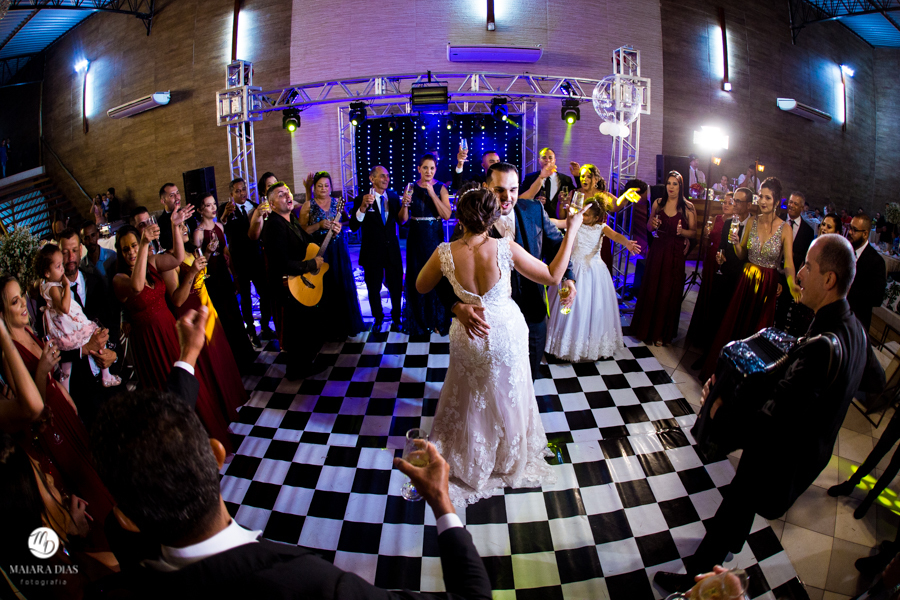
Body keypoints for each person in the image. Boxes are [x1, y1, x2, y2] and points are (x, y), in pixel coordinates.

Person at [90, 336, 493, 599]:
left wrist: (187, 357)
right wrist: (442, 503)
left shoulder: (118, 583)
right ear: (217, 455)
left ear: (126, 516)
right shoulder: (305, 583)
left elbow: (160, 430)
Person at [654, 234, 871, 594]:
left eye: (808, 267)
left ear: (829, 280)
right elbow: (870, 380)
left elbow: (772, 421)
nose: (799, 274)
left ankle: (698, 581)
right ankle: (708, 565)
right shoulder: (855, 330)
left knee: (737, 504)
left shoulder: (821, 346)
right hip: (808, 449)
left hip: (783, 455)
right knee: (735, 510)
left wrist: (720, 409)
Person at [417, 187, 582, 505]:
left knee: (470, 394)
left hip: (469, 334)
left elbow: (421, 285)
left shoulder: (444, 252)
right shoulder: (505, 248)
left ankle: (472, 455)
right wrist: (572, 229)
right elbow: (552, 275)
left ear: (461, 217)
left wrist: (458, 304)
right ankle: (507, 456)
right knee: (508, 392)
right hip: (505, 331)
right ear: (492, 217)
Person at [0, 275, 116, 543]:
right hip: (50, 424)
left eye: (21, 298)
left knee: (95, 468)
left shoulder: (29, 331)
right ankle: (107, 542)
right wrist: (41, 371)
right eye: (14, 301)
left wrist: (64, 394)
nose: (22, 307)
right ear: (3, 311)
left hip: (63, 410)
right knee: (85, 483)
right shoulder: (9, 355)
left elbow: (53, 376)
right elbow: (32, 411)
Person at [441, 162, 576, 380]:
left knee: (527, 378)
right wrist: (456, 306)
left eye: (513, 190)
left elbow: (555, 246)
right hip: (490, 323)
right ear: (486, 187)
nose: (507, 197)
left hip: (533, 312)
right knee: (494, 381)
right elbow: (445, 272)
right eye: (499, 190)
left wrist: (569, 278)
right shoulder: (470, 222)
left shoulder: (534, 210)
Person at [700, 178, 800, 380]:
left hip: (767, 283)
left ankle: (747, 382)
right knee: (736, 327)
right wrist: (736, 243)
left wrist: (792, 284)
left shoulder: (785, 229)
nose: (763, 201)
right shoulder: (753, 221)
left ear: (776, 200)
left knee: (758, 331)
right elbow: (741, 254)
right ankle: (726, 374)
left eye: (767, 197)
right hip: (746, 279)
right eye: (761, 196)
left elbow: (788, 263)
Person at [163, 228, 248, 436]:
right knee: (207, 368)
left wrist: (207, 255)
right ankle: (217, 417)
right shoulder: (169, 261)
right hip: (190, 314)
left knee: (219, 362)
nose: (185, 229)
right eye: (180, 226)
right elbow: (177, 300)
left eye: (184, 225)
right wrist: (192, 271)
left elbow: (201, 276)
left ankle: (227, 409)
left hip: (207, 308)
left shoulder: (191, 252)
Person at [545, 195, 640, 361]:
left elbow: (616, 236)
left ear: (596, 217)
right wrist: (541, 216)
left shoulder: (601, 227)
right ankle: (563, 342)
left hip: (593, 272)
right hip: (572, 270)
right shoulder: (576, 223)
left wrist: (627, 243)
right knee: (566, 307)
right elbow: (557, 222)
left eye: (587, 215)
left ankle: (588, 345)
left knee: (592, 309)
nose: (583, 216)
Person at [262, 182, 333, 380]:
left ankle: (305, 364)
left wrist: (330, 234)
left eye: (288, 192)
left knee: (305, 327)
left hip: (298, 281)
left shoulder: (290, 219)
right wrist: (310, 265)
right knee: (297, 330)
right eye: (281, 195)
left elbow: (308, 245)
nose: (288, 196)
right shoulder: (273, 225)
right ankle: (296, 370)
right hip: (288, 285)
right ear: (272, 204)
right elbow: (280, 262)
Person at [34, 244, 120, 391]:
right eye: (58, 265)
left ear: (81, 250)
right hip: (67, 327)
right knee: (90, 334)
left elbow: (112, 322)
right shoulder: (54, 287)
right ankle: (100, 378)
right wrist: (66, 287)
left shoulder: (94, 282)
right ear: (47, 272)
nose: (62, 268)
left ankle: (100, 376)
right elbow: (65, 308)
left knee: (96, 336)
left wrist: (115, 355)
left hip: (70, 329)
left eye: (74, 250)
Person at [631, 171, 696, 346]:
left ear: (681, 186)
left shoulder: (688, 207)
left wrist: (682, 233)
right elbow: (648, 226)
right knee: (652, 288)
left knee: (668, 292)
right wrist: (652, 225)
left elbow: (694, 232)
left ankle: (661, 333)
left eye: (675, 184)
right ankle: (646, 329)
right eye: (669, 183)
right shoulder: (658, 203)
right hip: (658, 250)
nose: (671, 187)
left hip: (674, 253)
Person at [193, 193, 256, 370]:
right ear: (200, 210)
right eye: (208, 205)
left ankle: (245, 357)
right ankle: (231, 362)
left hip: (224, 274)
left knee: (235, 314)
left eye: (214, 204)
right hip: (211, 279)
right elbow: (199, 265)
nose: (213, 208)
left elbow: (227, 252)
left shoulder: (220, 226)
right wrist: (206, 251)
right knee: (223, 318)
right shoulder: (198, 234)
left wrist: (234, 276)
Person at [298, 171, 364, 340]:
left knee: (341, 284)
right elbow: (302, 231)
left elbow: (349, 222)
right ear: (313, 188)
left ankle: (345, 326)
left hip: (339, 250)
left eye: (327, 185)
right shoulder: (308, 205)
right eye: (320, 185)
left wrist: (340, 226)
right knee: (325, 287)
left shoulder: (337, 203)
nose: (324, 188)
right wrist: (319, 225)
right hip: (320, 251)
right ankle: (327, 329)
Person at [690, 189, 751, 371]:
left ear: (748, 205)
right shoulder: (728, 223)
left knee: (732, 322)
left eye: (739, 202)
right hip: (723, 276)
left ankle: (726, 364)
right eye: (735, 201)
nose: (736, 204)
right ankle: (707, 356)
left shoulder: (751, 227)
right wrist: (720, 255)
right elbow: (722, 247)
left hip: (740, 279)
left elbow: (748, 256)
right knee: (714, 317)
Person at [348, 166, 409, 332]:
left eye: (387, 176)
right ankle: (378, 318)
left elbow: (402, 222)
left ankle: (397, 318)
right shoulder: (362, 198)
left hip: (392, 251)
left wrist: (405, 206)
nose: (386, 179)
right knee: (373, 288)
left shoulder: (394, 197)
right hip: (372, 252)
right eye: (382, 176)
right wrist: (362, 208)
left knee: (396, 287)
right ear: (372, 178)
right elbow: (354, 226)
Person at [220, 178, 274, 345]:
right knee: (245, 297)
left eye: (243, 189)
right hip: (239, 261)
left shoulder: (254, 205)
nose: (242, 193)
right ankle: (250, 330)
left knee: (265, 293)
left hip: (256, 257)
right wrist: (224, 216)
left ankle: (265, 326)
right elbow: (221, 227)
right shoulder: (226, 210)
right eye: (237, 191)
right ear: (231, 194)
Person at [405, 155, 453, 336]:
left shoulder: (441, 187)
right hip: (416, 236)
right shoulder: (410, 187)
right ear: (419, 168)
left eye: (432, 168)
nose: (428, 171)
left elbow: (447, 215)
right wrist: (404, 205)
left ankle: (437, 321)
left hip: (434, 237)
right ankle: (419, 321)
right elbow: (403, 219)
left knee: (436, 277)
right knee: (417, 276)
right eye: (425, 168)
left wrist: (432, 193)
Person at [687, 193, 732, 347]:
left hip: (724, 262)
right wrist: (706, 236)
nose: (725, 205)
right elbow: (706, 243)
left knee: (716, 295)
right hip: (710, 259)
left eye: (729, 203)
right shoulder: (717, 218)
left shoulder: (736, 223)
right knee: (706, 292)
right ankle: (698, 333)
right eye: (724, 202)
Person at [774, 191, 816, 336]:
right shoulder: (777, 220)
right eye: (790, 202)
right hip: (773, 272)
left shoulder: (808, 231)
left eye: (795, 203)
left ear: (802, 207)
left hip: (789, 279)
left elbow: (805, 256)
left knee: (782, 314)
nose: (791, 205)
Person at [847, 212, 887, 332]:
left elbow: (877, 298)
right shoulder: (845, 250)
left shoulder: (876, 261)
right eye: (850, 228)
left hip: (856, 322)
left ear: (865, 234)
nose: (850, 232)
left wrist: (849, 290)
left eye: (854, 230)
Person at [520, 147, 576, 220]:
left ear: (555, 161)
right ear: (539, 161)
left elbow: (576, 196)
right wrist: (535, 201)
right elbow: (521, 199)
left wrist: (577, 177)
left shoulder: (566, 179)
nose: (547, 160)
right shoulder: (530, 178)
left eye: (550, 158)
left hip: (558, 222)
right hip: (536, 220)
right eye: (544, 158)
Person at [157, 183, 195, 252]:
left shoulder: (186, 214)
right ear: (163, 201)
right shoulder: (160, 223)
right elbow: (166, 245)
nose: (177, 197)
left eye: (177, 193)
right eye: (172, 195)